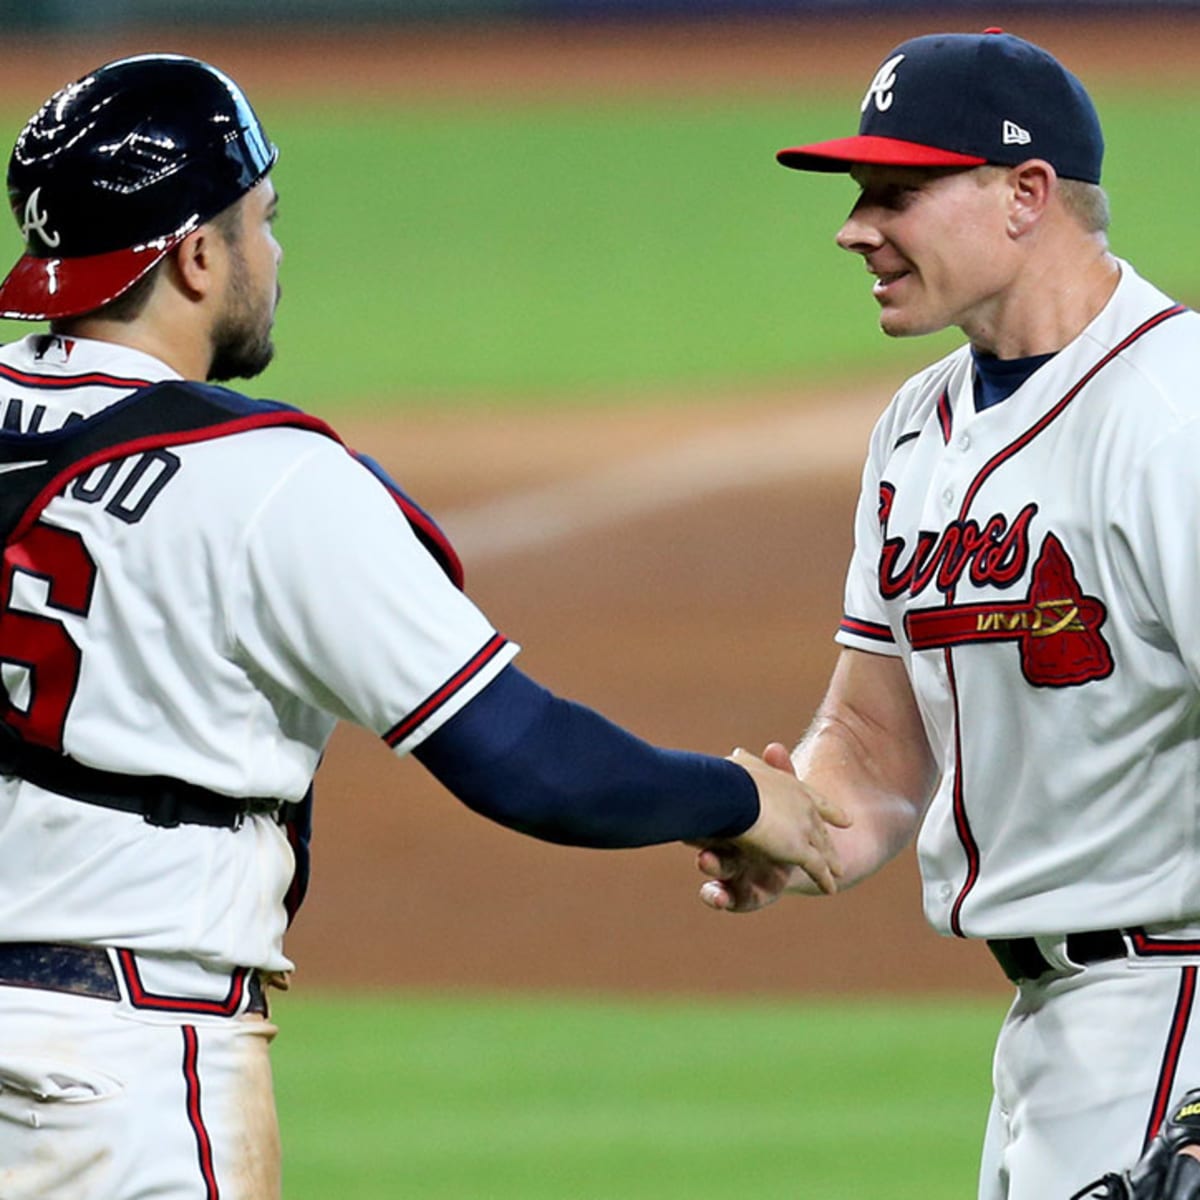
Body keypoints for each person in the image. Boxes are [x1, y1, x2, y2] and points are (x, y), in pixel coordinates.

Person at [0, 54, 846, 1199]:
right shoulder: (265, 479)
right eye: (264, 221)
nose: (276, 254)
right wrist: (741, 799)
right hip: (113, 1079)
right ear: (197, 255)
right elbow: (528, 762)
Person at [694, 28, 1200, 1200]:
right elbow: (875, 741)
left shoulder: (1171, 418)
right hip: (1051, 1035)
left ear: (1027, 195)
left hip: (1174, 1015)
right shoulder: (919, 426)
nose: (856, 227)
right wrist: (793, 820)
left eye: (899, 192)